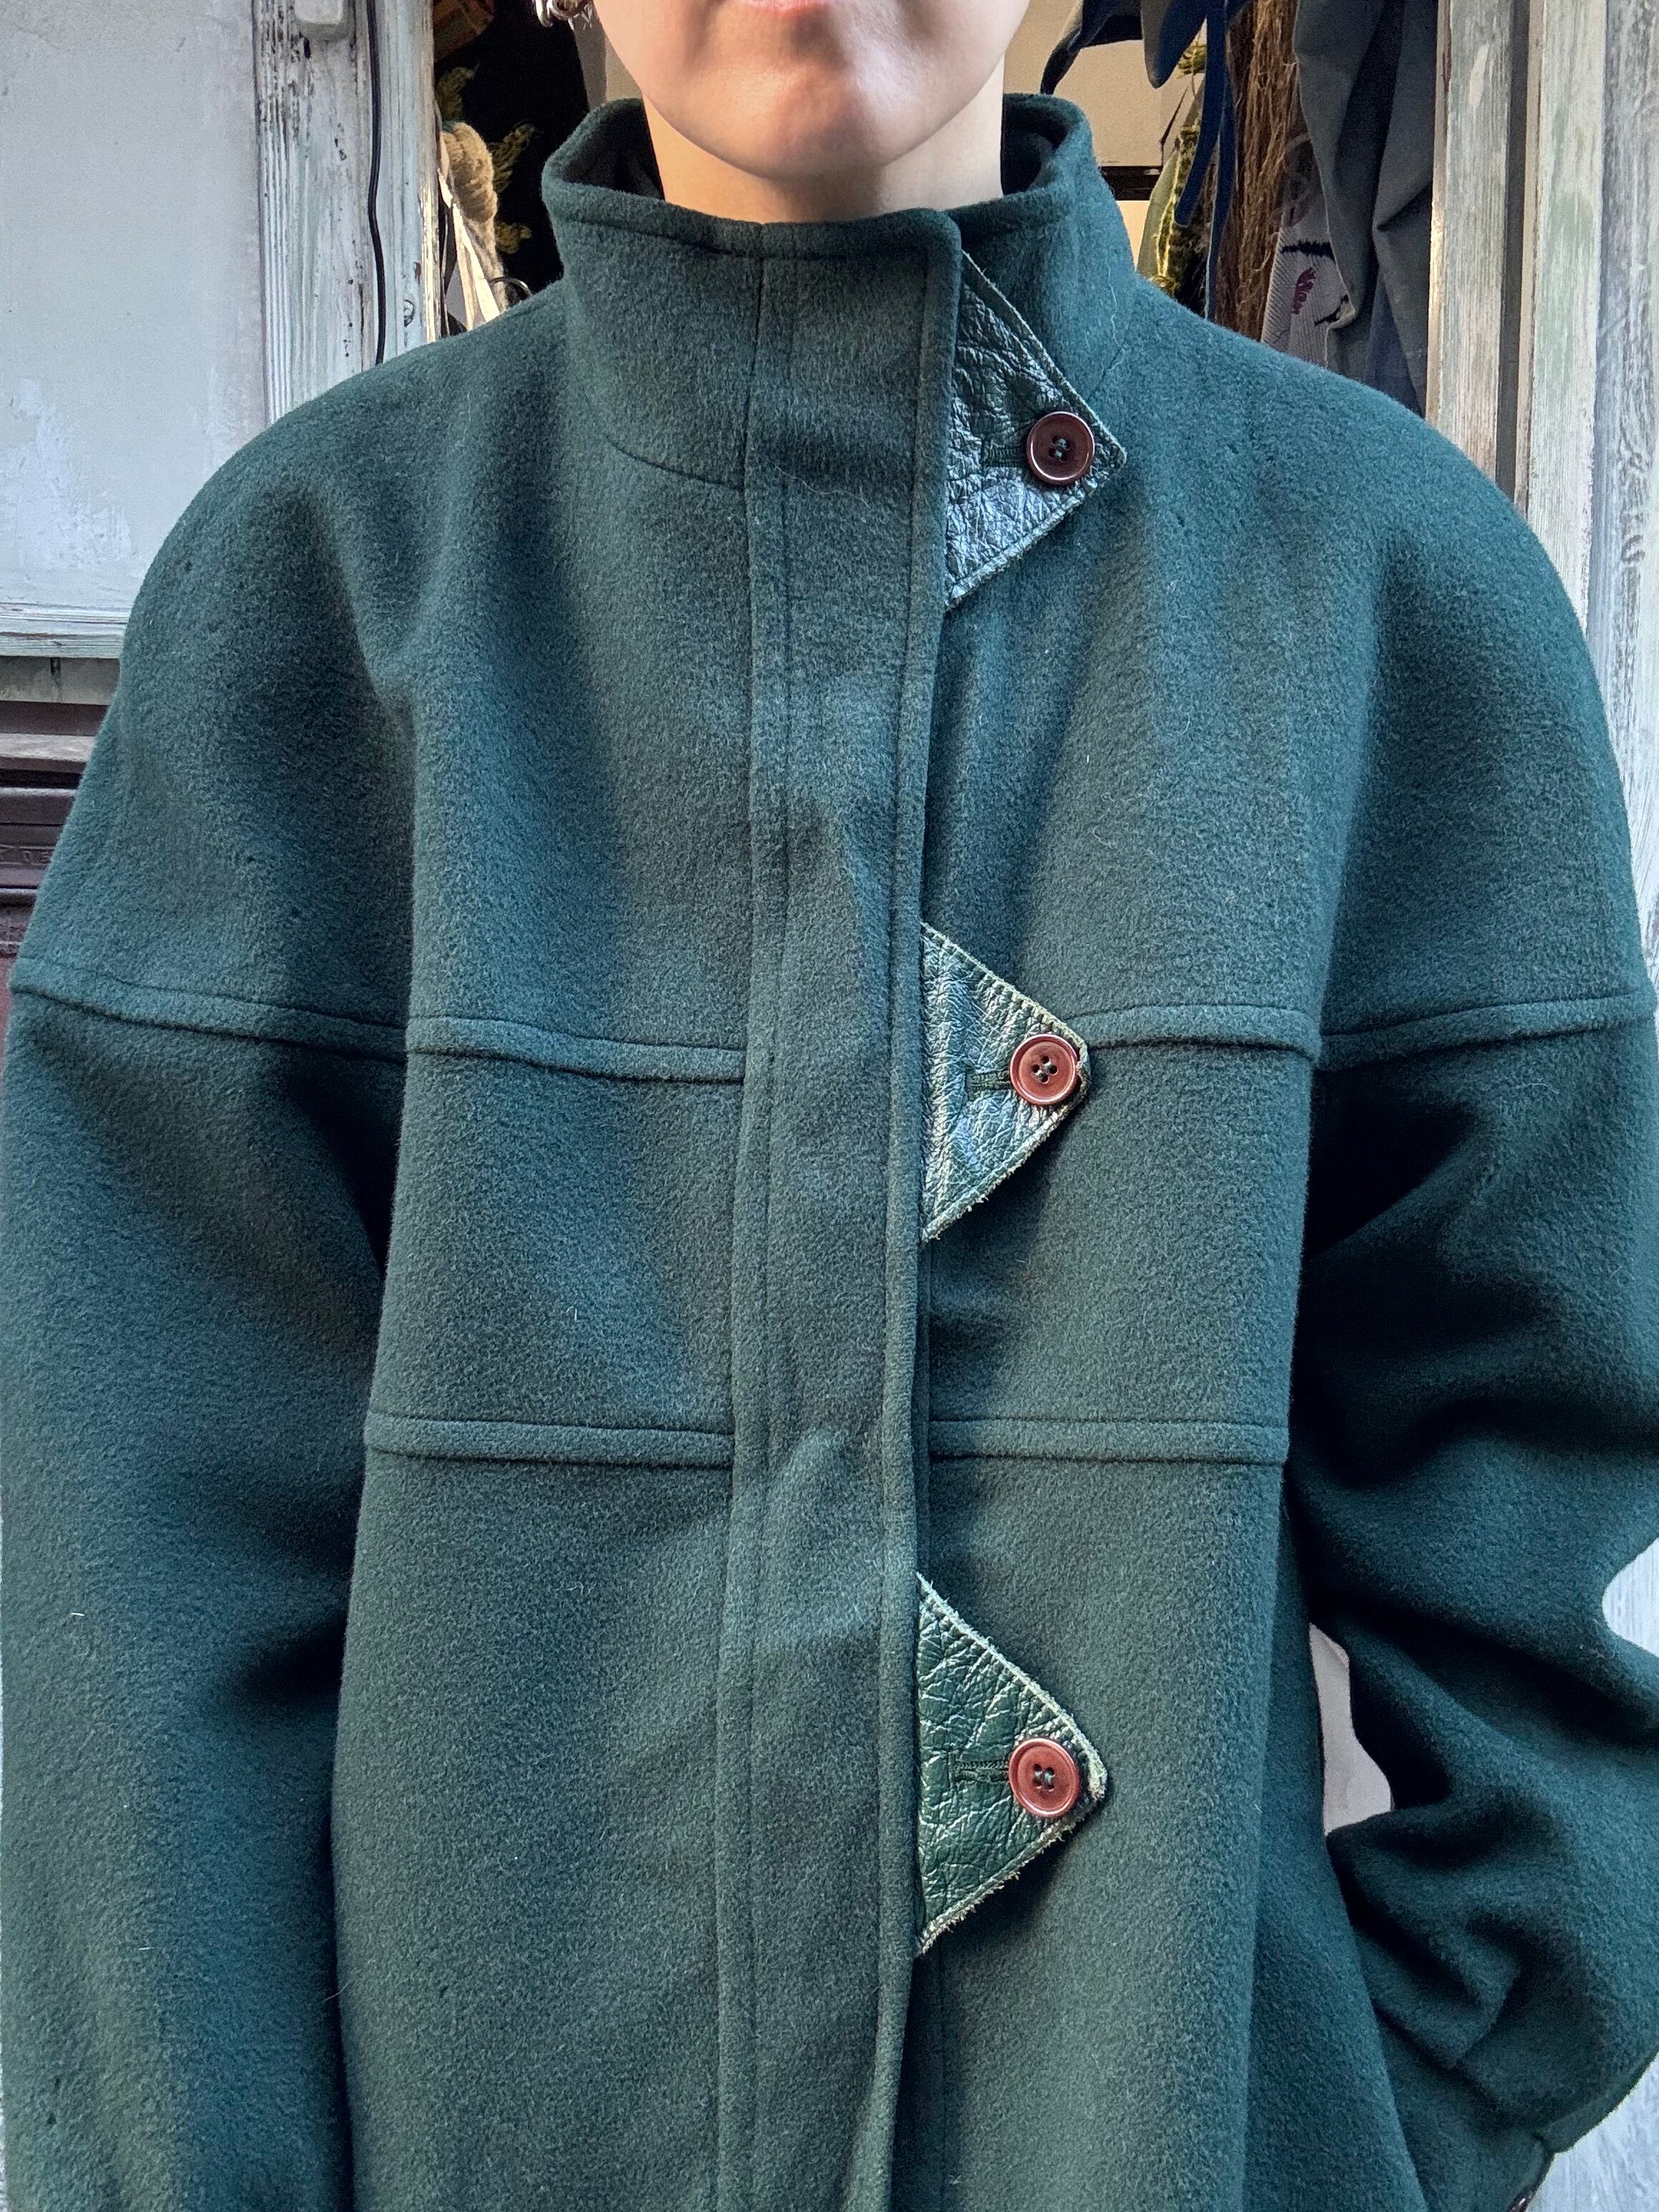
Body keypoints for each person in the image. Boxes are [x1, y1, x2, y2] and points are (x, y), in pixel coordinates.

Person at [3, 4, 1658, 2208]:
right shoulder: (322, 587)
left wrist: (1359, 2128)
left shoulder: (1379, 586)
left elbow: (1555, 1530)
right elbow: (124, 1603)